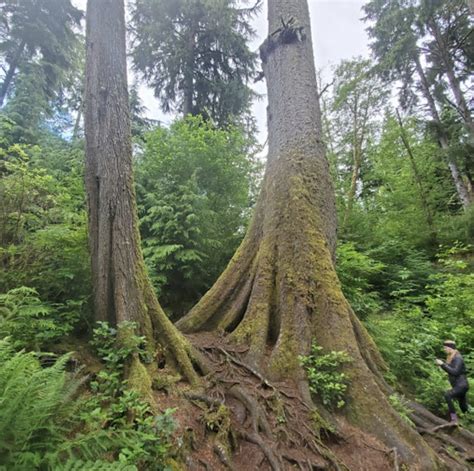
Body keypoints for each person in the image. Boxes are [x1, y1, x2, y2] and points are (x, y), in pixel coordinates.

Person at [435, 340, 469, 423]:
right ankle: (469, 421)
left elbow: (455, 372)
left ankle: (454, 419)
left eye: (445, 348)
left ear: (450, 348)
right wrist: (442, 365)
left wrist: (442, 364)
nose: (444, 350)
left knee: (447, 395)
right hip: (459, 385)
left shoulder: (458, 358)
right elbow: (449, 370)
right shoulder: (452, 358)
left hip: (461, 385)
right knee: (463, 406)